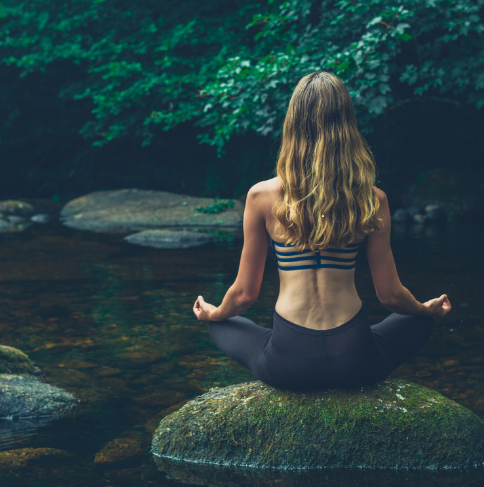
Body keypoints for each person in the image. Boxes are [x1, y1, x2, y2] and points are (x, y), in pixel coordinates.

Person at [192, 71, 452, 391]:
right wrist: (424, 309)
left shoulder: (260, 196)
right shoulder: (372, 199)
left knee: (223, 323)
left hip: (288, 364)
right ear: (347, 127)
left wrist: (213, 314)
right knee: (419, 320)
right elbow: (391, 296)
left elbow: (245, 295)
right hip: (355, 361)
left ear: (292, 125)